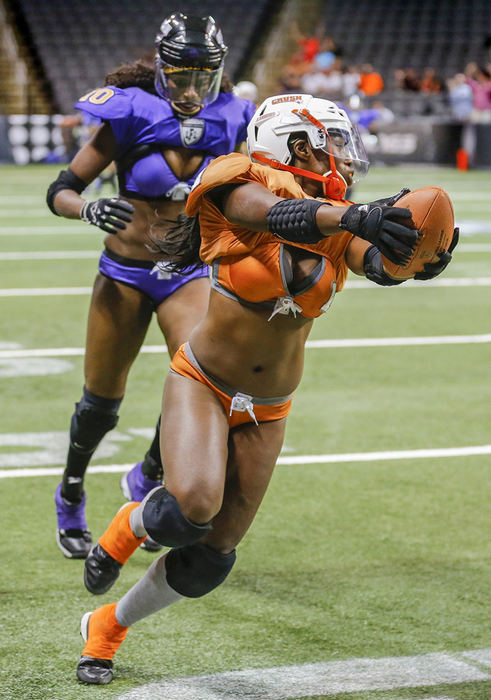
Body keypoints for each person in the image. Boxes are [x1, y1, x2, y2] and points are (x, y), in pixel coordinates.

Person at [74, 93, 458, 685]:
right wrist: (352, 216)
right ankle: (130, 526)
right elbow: (270, 215)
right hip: (204, 381)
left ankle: (107, 625)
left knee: (211, 561)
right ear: (298, 144)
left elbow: (373, 261)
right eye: (336, 141)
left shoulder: (332, 209)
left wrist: (415, 259)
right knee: (188, 512)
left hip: (271, 407)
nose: (348, 157)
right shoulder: (234, 174)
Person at [46, 12, 256, 559]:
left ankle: (148, 472)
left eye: (201, 78)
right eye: (180, 76)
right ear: (160, 69)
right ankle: (70, 492)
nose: (190, 91)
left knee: (199, 379)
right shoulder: (130, 111)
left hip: (186, 272)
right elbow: (62, 188)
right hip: (124, 273)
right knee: (100, 404)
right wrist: (88, 208)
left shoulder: (234, 117)